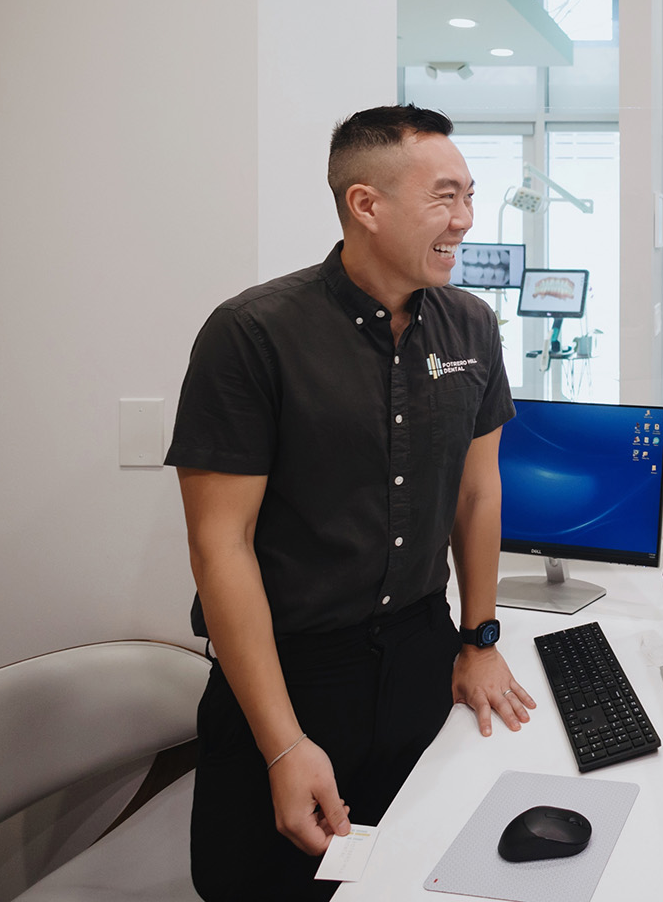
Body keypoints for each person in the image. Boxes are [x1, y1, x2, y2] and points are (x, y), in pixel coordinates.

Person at [166, 105, 536, 901]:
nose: (465, 221)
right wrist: (281, 744)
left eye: (469, 196)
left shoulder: (471, 325)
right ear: (366, 205)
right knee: (270, 885)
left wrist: (480, 637)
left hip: (417, 657)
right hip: (291, 670)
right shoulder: (253, 334)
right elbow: (218, 548)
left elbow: (478, 493)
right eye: (445, 197)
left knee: (414, 876)